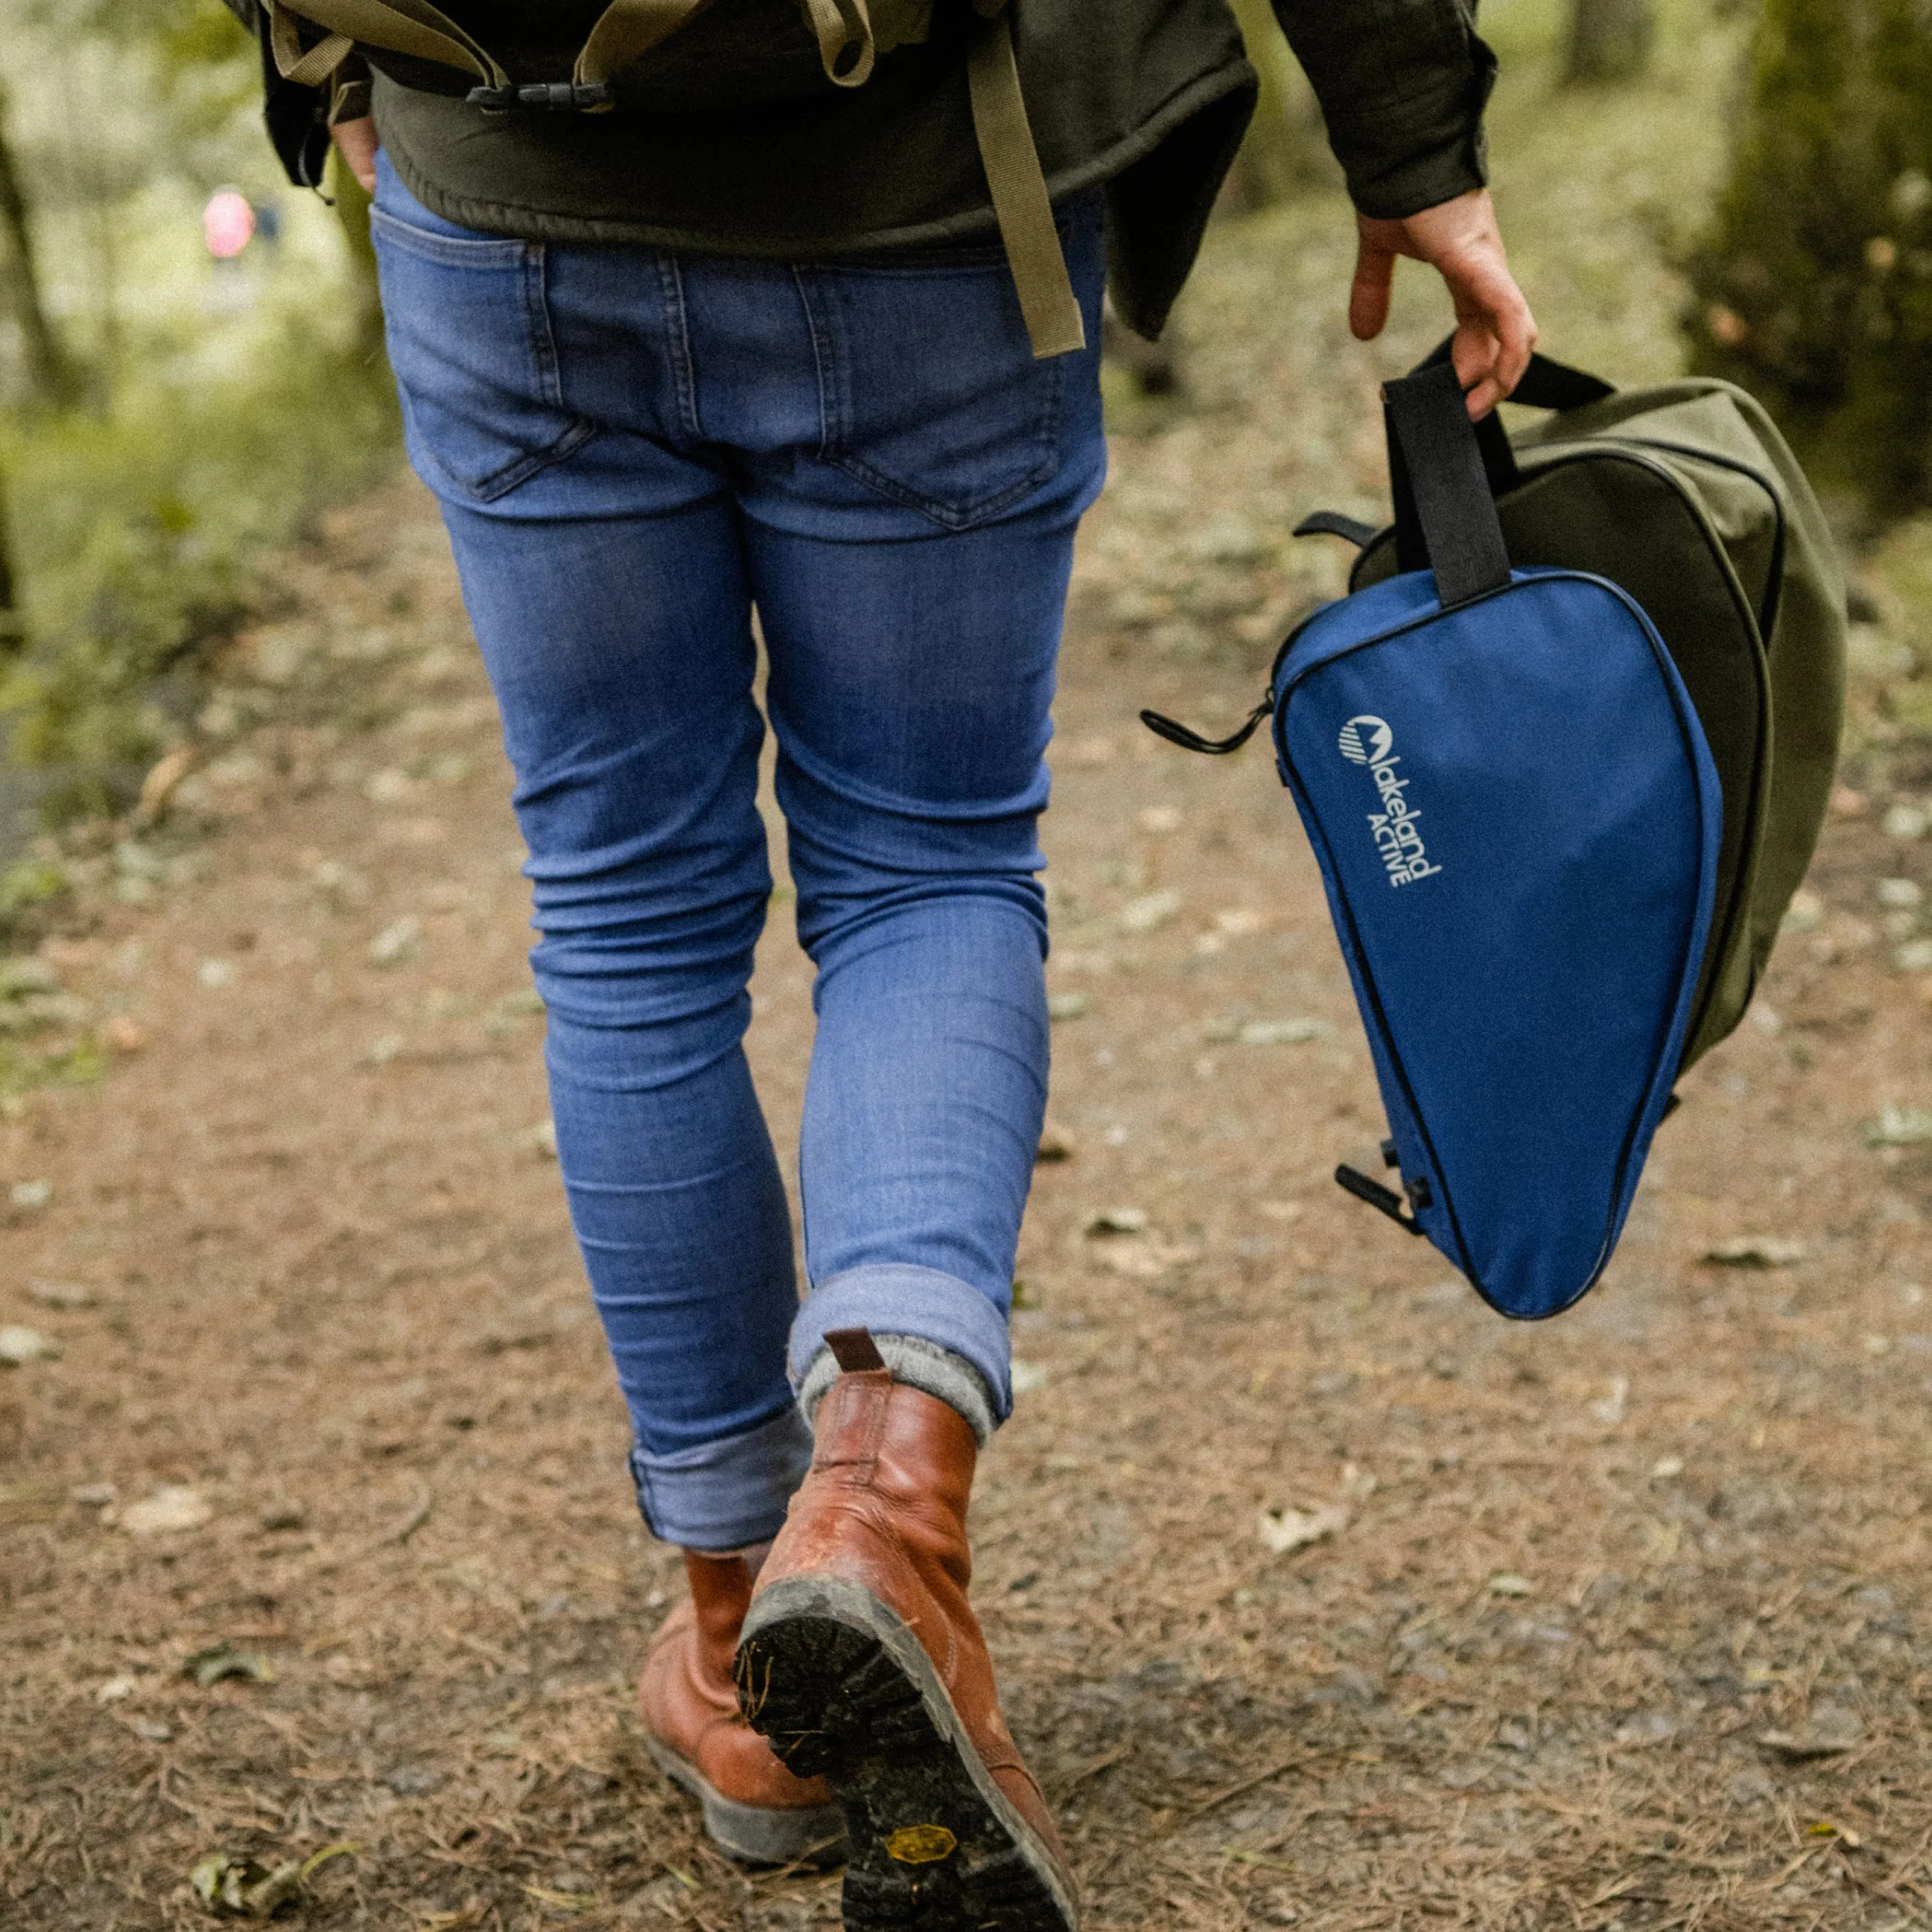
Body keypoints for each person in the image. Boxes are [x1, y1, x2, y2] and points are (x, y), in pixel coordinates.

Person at [239, 3, 1534, 1926]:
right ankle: (882, 1501)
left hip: (505, 193)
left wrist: (327, 64)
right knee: (923, 864)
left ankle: (733, 1636)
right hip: (925, 196)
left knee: (623, 914)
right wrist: (1412, 138)